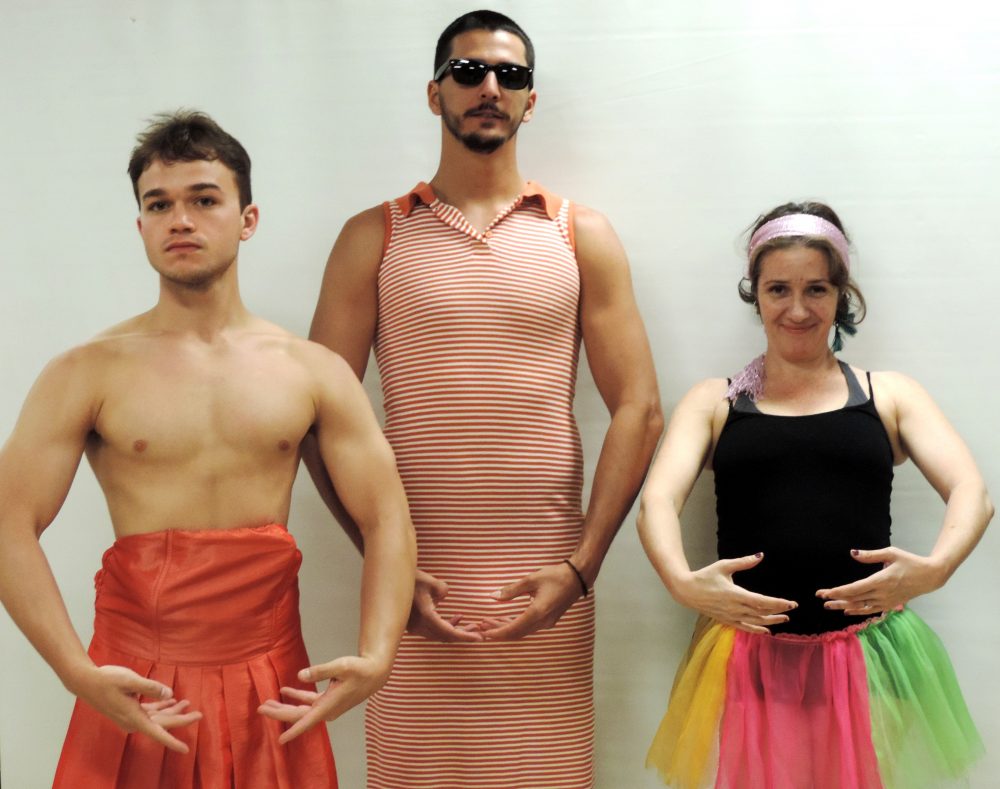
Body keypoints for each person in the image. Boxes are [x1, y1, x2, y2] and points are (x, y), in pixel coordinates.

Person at [0, 110, 416, 789]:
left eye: (203, 200)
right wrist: (74, 669)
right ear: (140, 226)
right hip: (134, 688)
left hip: (274, 690)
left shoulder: (311, 370)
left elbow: (386, 515)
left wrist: (379, 654)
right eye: (159, 205)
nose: (180, 220)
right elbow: (8, 521)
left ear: (247, 219)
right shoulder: (85, 371)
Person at [306, 9, 662, 787]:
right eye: (468, 72)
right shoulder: (375, 236)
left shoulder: (579, 234)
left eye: (511, 74)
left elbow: (639, 408)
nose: (490, 87)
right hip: (407, 599)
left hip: (549, 595)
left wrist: (582, 569)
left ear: (531, 100)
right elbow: (317, 416)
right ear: (434, 93)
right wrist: (387, 567)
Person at [637, 201, 991, 789]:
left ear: (840, 294)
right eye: (778, 289)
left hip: (869, 653)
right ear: (755, 294)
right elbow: (657, 502)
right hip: (748, 652)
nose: (798, 309)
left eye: (816, 289)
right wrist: (680, 581)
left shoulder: (889, 394)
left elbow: (971, 490)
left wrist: (937, 569)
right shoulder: (714, 402)